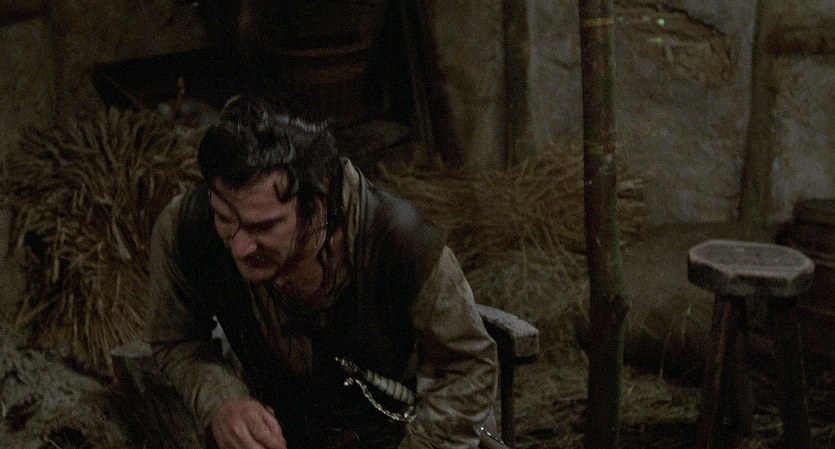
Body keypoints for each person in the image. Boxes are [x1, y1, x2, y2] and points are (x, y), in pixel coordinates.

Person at [146, 94, 500, 449]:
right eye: (225, 218)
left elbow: (465, 366)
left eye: (262, 227)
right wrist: (222, 400)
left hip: (400, 431)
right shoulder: (188, 229)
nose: (240, 247)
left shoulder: (399, 243)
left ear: (315, 209)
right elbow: (178, 340)